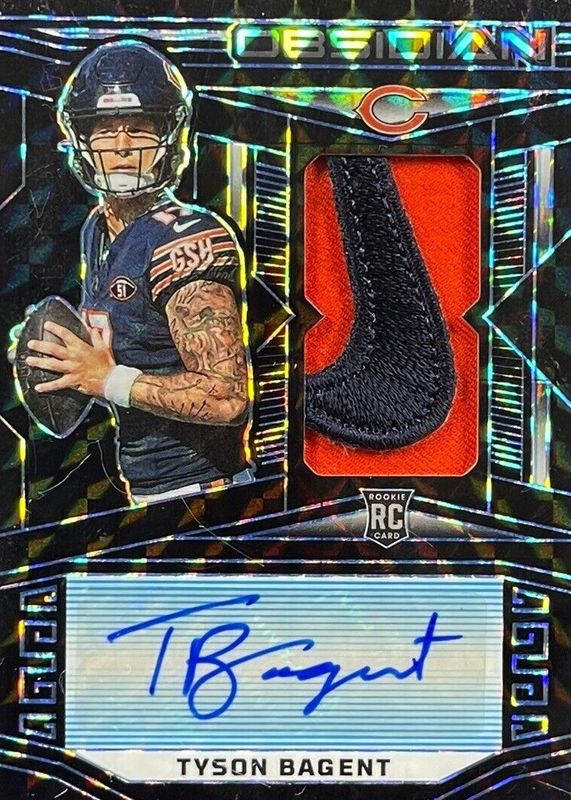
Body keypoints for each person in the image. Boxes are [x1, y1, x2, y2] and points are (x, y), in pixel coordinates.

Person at [23, 40, 253, 504]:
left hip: (205, 492)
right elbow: (131, 347)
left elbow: (226, 398)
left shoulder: (185, 239)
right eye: (106, 130)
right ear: (83, 142)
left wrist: (108, 380)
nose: (123, 147)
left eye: (139, 128)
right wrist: (63, 355)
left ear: (169, 136)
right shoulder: (97, 229)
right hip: (150, 487)